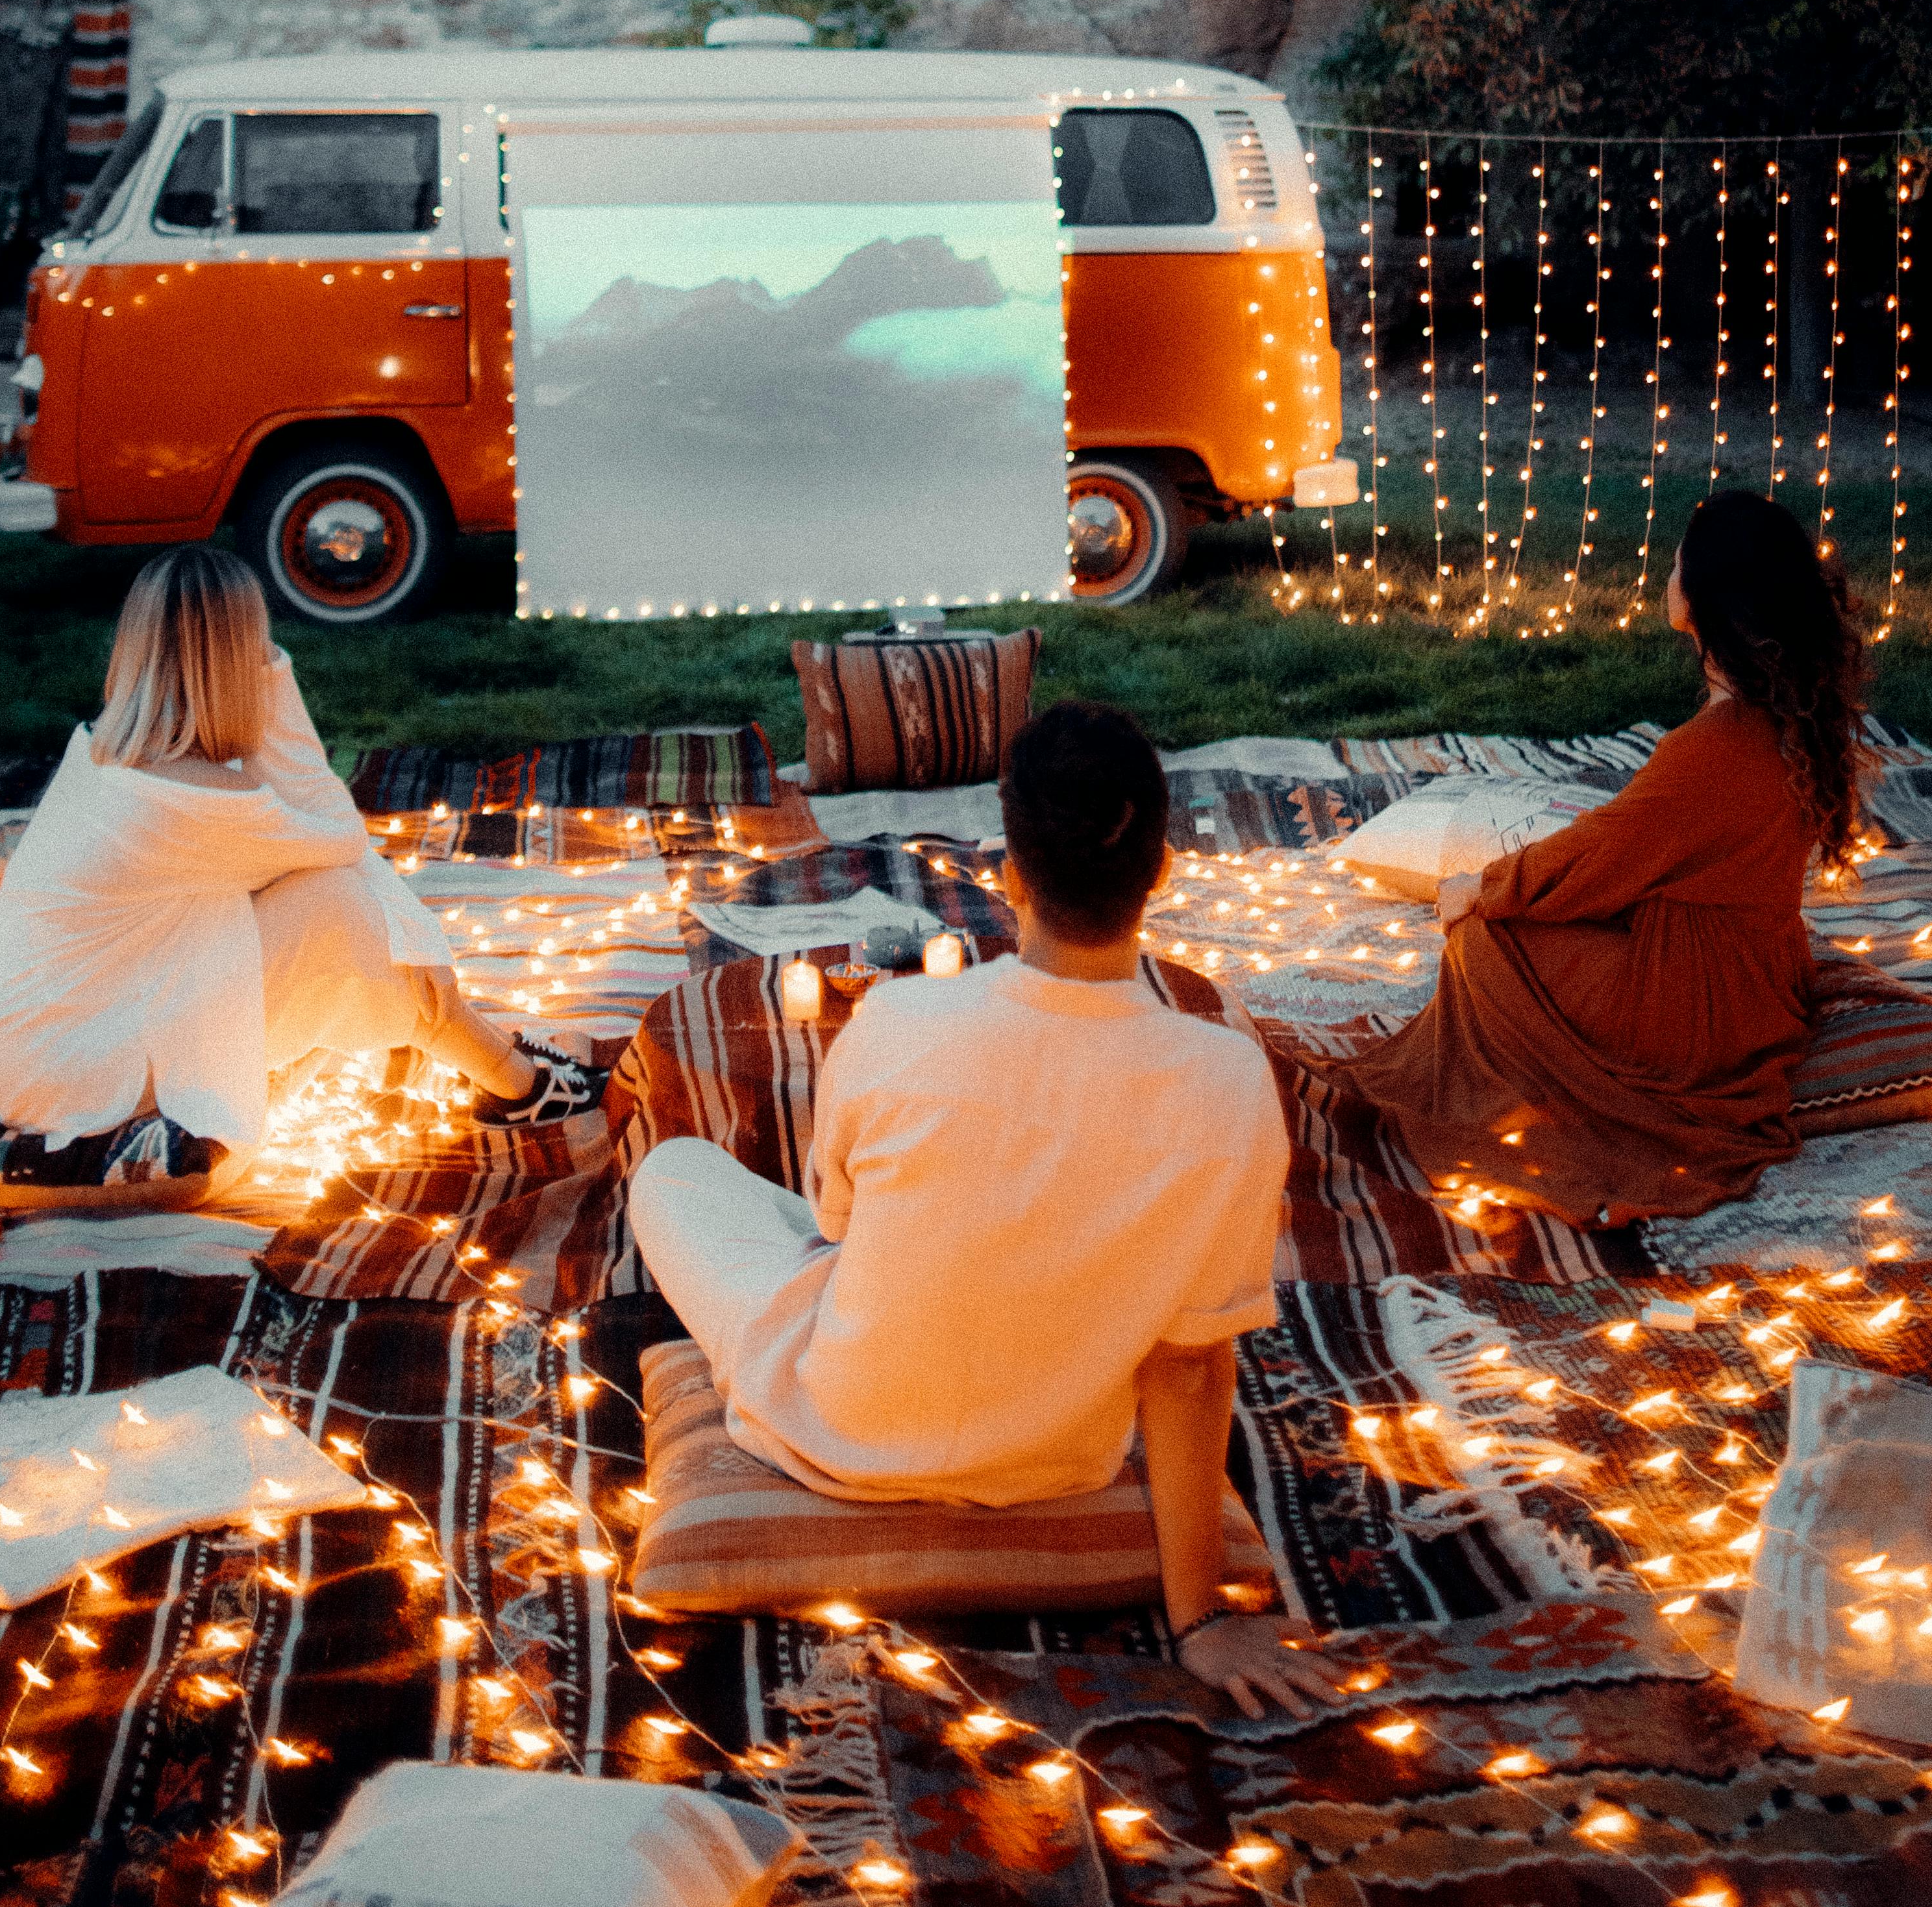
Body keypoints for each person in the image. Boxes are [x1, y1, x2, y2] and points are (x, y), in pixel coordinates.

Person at [630, 698, 1338, 1719]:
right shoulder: (1228, 1078)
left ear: (1009, 874)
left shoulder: (901, 1015)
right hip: (1059, 1459)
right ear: (1162, 869)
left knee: (681, 1172)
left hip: (835, 1423)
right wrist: (1203, 1619)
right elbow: (1191, 1364)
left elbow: (835, 1225)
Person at [0, 544, 604, 1156]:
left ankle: (484, 1052)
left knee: (342, 900)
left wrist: (407, 931)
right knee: (338, 906)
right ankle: (508, 1076)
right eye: (257, 649)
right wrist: (274, 673)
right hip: (66, 1078)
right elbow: (341, 831)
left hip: (9, 1044)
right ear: (241, 663)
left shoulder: (99, 748)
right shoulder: (205, 796)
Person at [1341, 487, 1868, 1225]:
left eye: (1679, 561)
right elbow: (1645, 850)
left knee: (1486, 942)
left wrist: (1480, 887)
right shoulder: (1787, 716)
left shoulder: (1709, 749)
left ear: (1706, 597)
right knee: (1525, 915)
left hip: (1697, 1013)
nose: (1667, 573)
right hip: (1762, 985)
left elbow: (1599, 856)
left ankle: (1536, 1098)